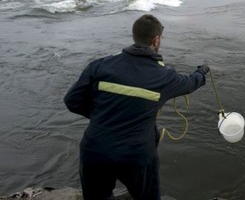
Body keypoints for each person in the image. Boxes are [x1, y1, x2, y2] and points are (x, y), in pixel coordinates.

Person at [63, 14, 209, 200]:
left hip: (96, 148)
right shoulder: (164, 76)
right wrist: (202, 72)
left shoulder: (100, 65)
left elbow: (72, 100)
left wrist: (102, 116)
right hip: (137, 154)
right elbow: (190, 84)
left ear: (134, 36)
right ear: (156, 40)